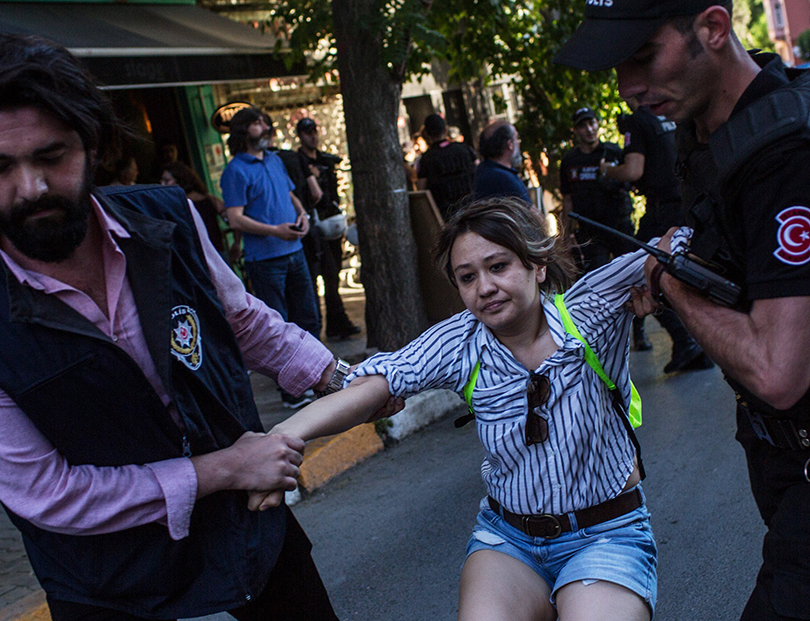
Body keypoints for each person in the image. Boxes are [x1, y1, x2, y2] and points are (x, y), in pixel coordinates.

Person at [0, 33, 355, 621]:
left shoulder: (166, 217)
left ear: (91, 144)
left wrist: (343, 377)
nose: (31, 187)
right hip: (112, 590)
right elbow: (48, 494)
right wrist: (223, 469)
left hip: (253, 540)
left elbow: (242, 321)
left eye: (51, 156)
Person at [554, 0, 810, 620]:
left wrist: (674, 287)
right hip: (785, 447)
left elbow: (777, 371)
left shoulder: (790, 154)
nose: (628, 86)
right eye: (617, 65)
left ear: (714, 27)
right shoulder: (706, 125)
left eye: (644, 55)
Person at [261, 197, 658, 621]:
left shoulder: (589, 310)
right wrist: (280, 438)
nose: (484, 287)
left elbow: (669, 253)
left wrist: (660, 285)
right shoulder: (459, 342)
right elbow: (379, 383)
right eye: (467, 277)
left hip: (606, 535)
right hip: (510, 541)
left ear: (537, 264)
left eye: (498, 266)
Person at [220, 107, 322, 409]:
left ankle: (316, 379)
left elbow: (290, 194)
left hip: (294, 252)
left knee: (308, 319)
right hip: (265, 261)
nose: (265, 127)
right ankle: (291, 392)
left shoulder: (275, 159)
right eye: (256, 124)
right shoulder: (235, 171)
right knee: (278, 329)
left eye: (265, 122)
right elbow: (235, 219)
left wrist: (302, 213)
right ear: (242, 132)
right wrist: (275, 231)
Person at [613, 98, 713, 372]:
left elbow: (633, 169)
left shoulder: (637, 119)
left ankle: (687, 342)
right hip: (686, 205)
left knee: (643, 272)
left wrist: (607, 171)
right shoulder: (670, 113)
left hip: (661, 211)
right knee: (681, 273)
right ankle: (698, 345)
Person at [295, 117, 361, 339]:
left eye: (314, 130)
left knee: (333, 276)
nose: (312, 135)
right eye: (307, 132)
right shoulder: (299, 162)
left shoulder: (324, 160)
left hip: (331, 223)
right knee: (319, 277)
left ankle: (337, 323)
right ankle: (323, 325)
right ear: (300, 135)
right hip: (313, 226)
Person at [559, 108, 630, 272]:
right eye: (583, 126)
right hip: (590, 232)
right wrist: (566, 236)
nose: (589, 129)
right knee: (598, 276)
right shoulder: (570, 160)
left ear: (598, 124)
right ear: (575, 130)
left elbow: (632, 182)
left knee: (630, 271)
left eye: (591, 123)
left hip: (619, 225)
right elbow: (567, 199)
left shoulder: (613, 152)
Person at [160, 161, 228, 256]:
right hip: (214, 252)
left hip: (204, 254)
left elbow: (230, 216)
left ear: (180, 179)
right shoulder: (208, 199)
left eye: (167, 181)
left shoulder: (181, 204)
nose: (162, 184)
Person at [416, 113, 477, 219]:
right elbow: (478, 171)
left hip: (446, 215)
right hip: (473, 208)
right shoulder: (464, 149)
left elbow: (421, 190)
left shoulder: (426, 159)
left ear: (426, 134)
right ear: (445, 129)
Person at [474, 119, 531, 204]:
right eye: (516, 139)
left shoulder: (485, 169)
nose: (519, 143)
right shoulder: (503, 177)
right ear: (510, 145)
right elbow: (533, 214)